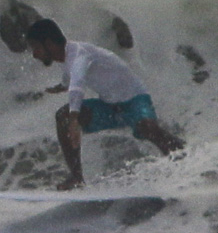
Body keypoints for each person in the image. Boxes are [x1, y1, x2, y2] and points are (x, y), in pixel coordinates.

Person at [25, 18, 184, 190]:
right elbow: (69, 77)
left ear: (49, 44)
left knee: (147, 127)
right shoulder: (66, 58)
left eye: (36, 47)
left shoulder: (79, 54)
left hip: (135, 100)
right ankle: (76, 178)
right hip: (110, 107)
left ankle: (185, 158)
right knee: (61, 116)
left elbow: (77, 83)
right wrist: (61, 87)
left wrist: (74, 120)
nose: (34, 54)